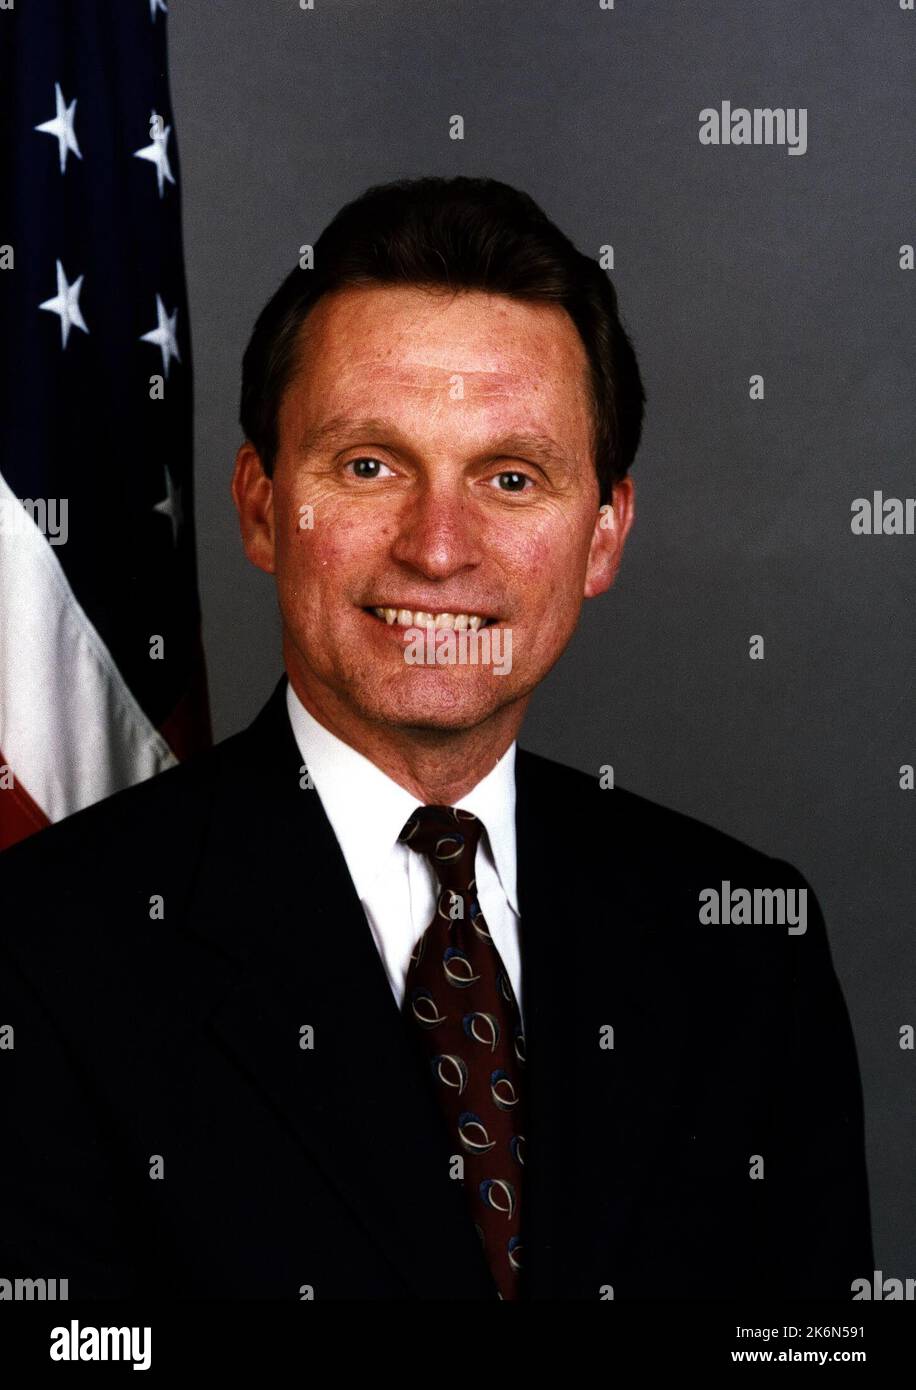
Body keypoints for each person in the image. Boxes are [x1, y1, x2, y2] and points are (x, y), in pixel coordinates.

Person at [0, 176, 873, 1300]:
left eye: (511, 477)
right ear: (262, 506)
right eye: (369, 465)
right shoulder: (46, 951)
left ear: (603, 534)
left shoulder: (751, 945)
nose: (438, 547)